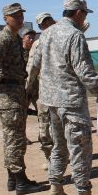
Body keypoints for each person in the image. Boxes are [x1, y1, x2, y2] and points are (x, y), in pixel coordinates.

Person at [29, 0, 98, 195]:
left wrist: (28, 90)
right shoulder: (75, 35)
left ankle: (56, 192)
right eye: (85, 13)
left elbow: (34, 65)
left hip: (51, 101)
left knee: (59, 147)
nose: (85, 18)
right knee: (80, 148)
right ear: (78, 12)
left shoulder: (46, 33)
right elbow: (84, 71)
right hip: (71, 102)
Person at [0, 3, 48, 195]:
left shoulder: (14, 38)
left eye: (21, 15)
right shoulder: (3, 39)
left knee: (13, 137)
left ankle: (13, 179)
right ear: (6, 18)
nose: (20, 19)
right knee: (15, 139)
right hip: (9, 94)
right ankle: (21, 182)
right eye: (15, 16)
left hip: (15, 91)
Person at [26, 12, 56, 170]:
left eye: (48, 21)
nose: (47, 25)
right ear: (40, 27)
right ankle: (50, 158)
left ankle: (61, 156)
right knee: (44, 128)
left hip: (63, 93)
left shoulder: (65, 38)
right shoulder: (38, 44)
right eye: (43, 24)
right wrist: (27, 89)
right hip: (44, 93)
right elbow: (31, 68)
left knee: (64, 127)